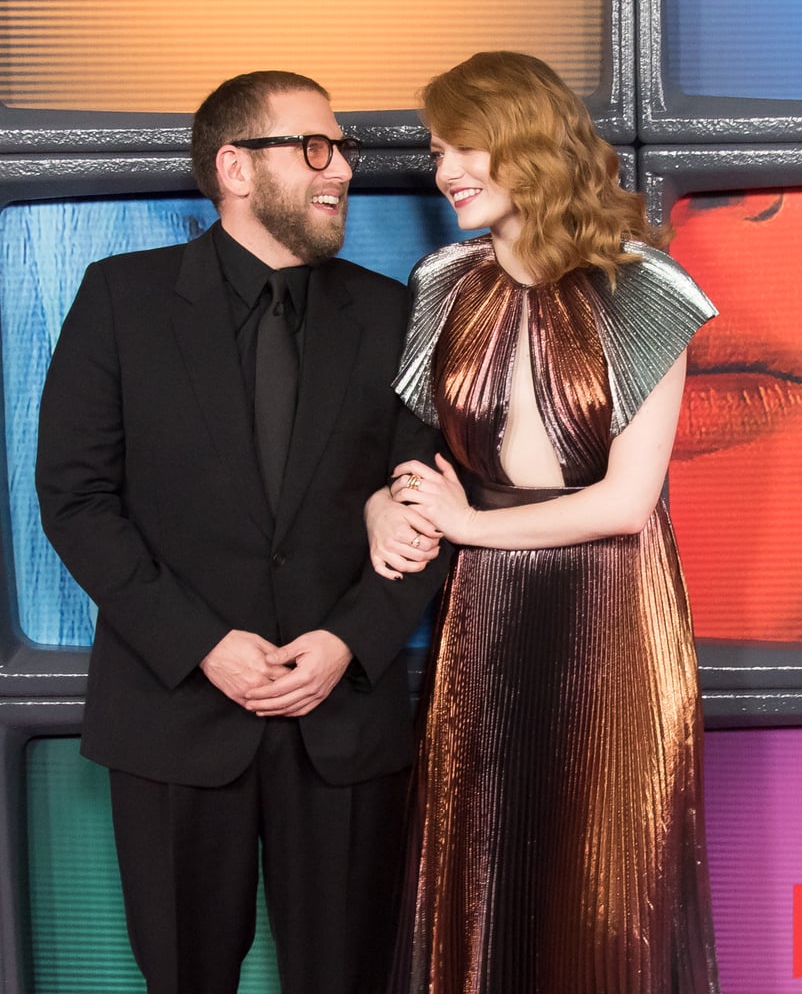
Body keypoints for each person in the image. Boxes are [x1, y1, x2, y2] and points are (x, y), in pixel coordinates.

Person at [35, 70, 450, 994]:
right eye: (314, 148)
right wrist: (202, 645)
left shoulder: (393, 313)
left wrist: (349, 641)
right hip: (173, 714)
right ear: (233, 166)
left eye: (340, 148)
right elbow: (74, 497)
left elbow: (430, 502)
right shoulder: (120, 299)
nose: (340, 167)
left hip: (341, 723)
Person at [366, 52, 722, 993]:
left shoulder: (643, 287)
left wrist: (464, 527)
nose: (445, 172)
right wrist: (386, 506)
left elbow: (624, 502)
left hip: (608, 610)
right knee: (481, 864)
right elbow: (403, 453)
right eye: (439, 151)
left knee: (604, 884)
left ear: (529, 140)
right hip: (485, 616)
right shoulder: (443, 280)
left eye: (465, 145)